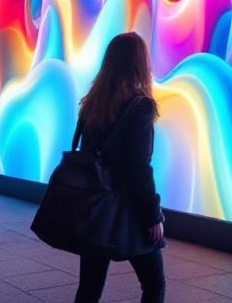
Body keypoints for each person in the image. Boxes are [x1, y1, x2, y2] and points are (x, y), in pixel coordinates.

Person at [72, 32, 166, 303]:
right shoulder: (141, 106)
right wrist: (152, 215)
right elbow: (139, 169)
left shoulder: (92, 103)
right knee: (153, 283)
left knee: (89, 287)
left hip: (95, 205)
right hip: (128, 208)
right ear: (139, 63)